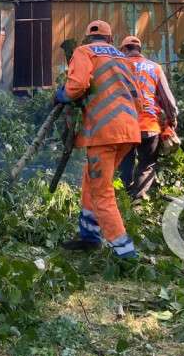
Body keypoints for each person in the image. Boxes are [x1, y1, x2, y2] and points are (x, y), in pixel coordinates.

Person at [54, 20, 143, 259]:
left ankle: (126, 253)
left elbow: (78, 86)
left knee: (102, 191)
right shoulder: (123, 59)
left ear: (86, 38)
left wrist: (62, 95)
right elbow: (139, 99)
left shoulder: (85, 52)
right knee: (90, 181)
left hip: (103, 133)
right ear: (111, 39)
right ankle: (89, 236)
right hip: (129, 130)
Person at [117, 36, 178, 201]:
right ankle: (137, 200)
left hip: (125, 126)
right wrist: (172, 121)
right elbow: (168, 101)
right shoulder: (155, 68)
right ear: (139, 50)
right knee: (147, 164)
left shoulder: (118, 67)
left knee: (125, 163)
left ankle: (123, 197)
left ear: (123, 50)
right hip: (150, 126)